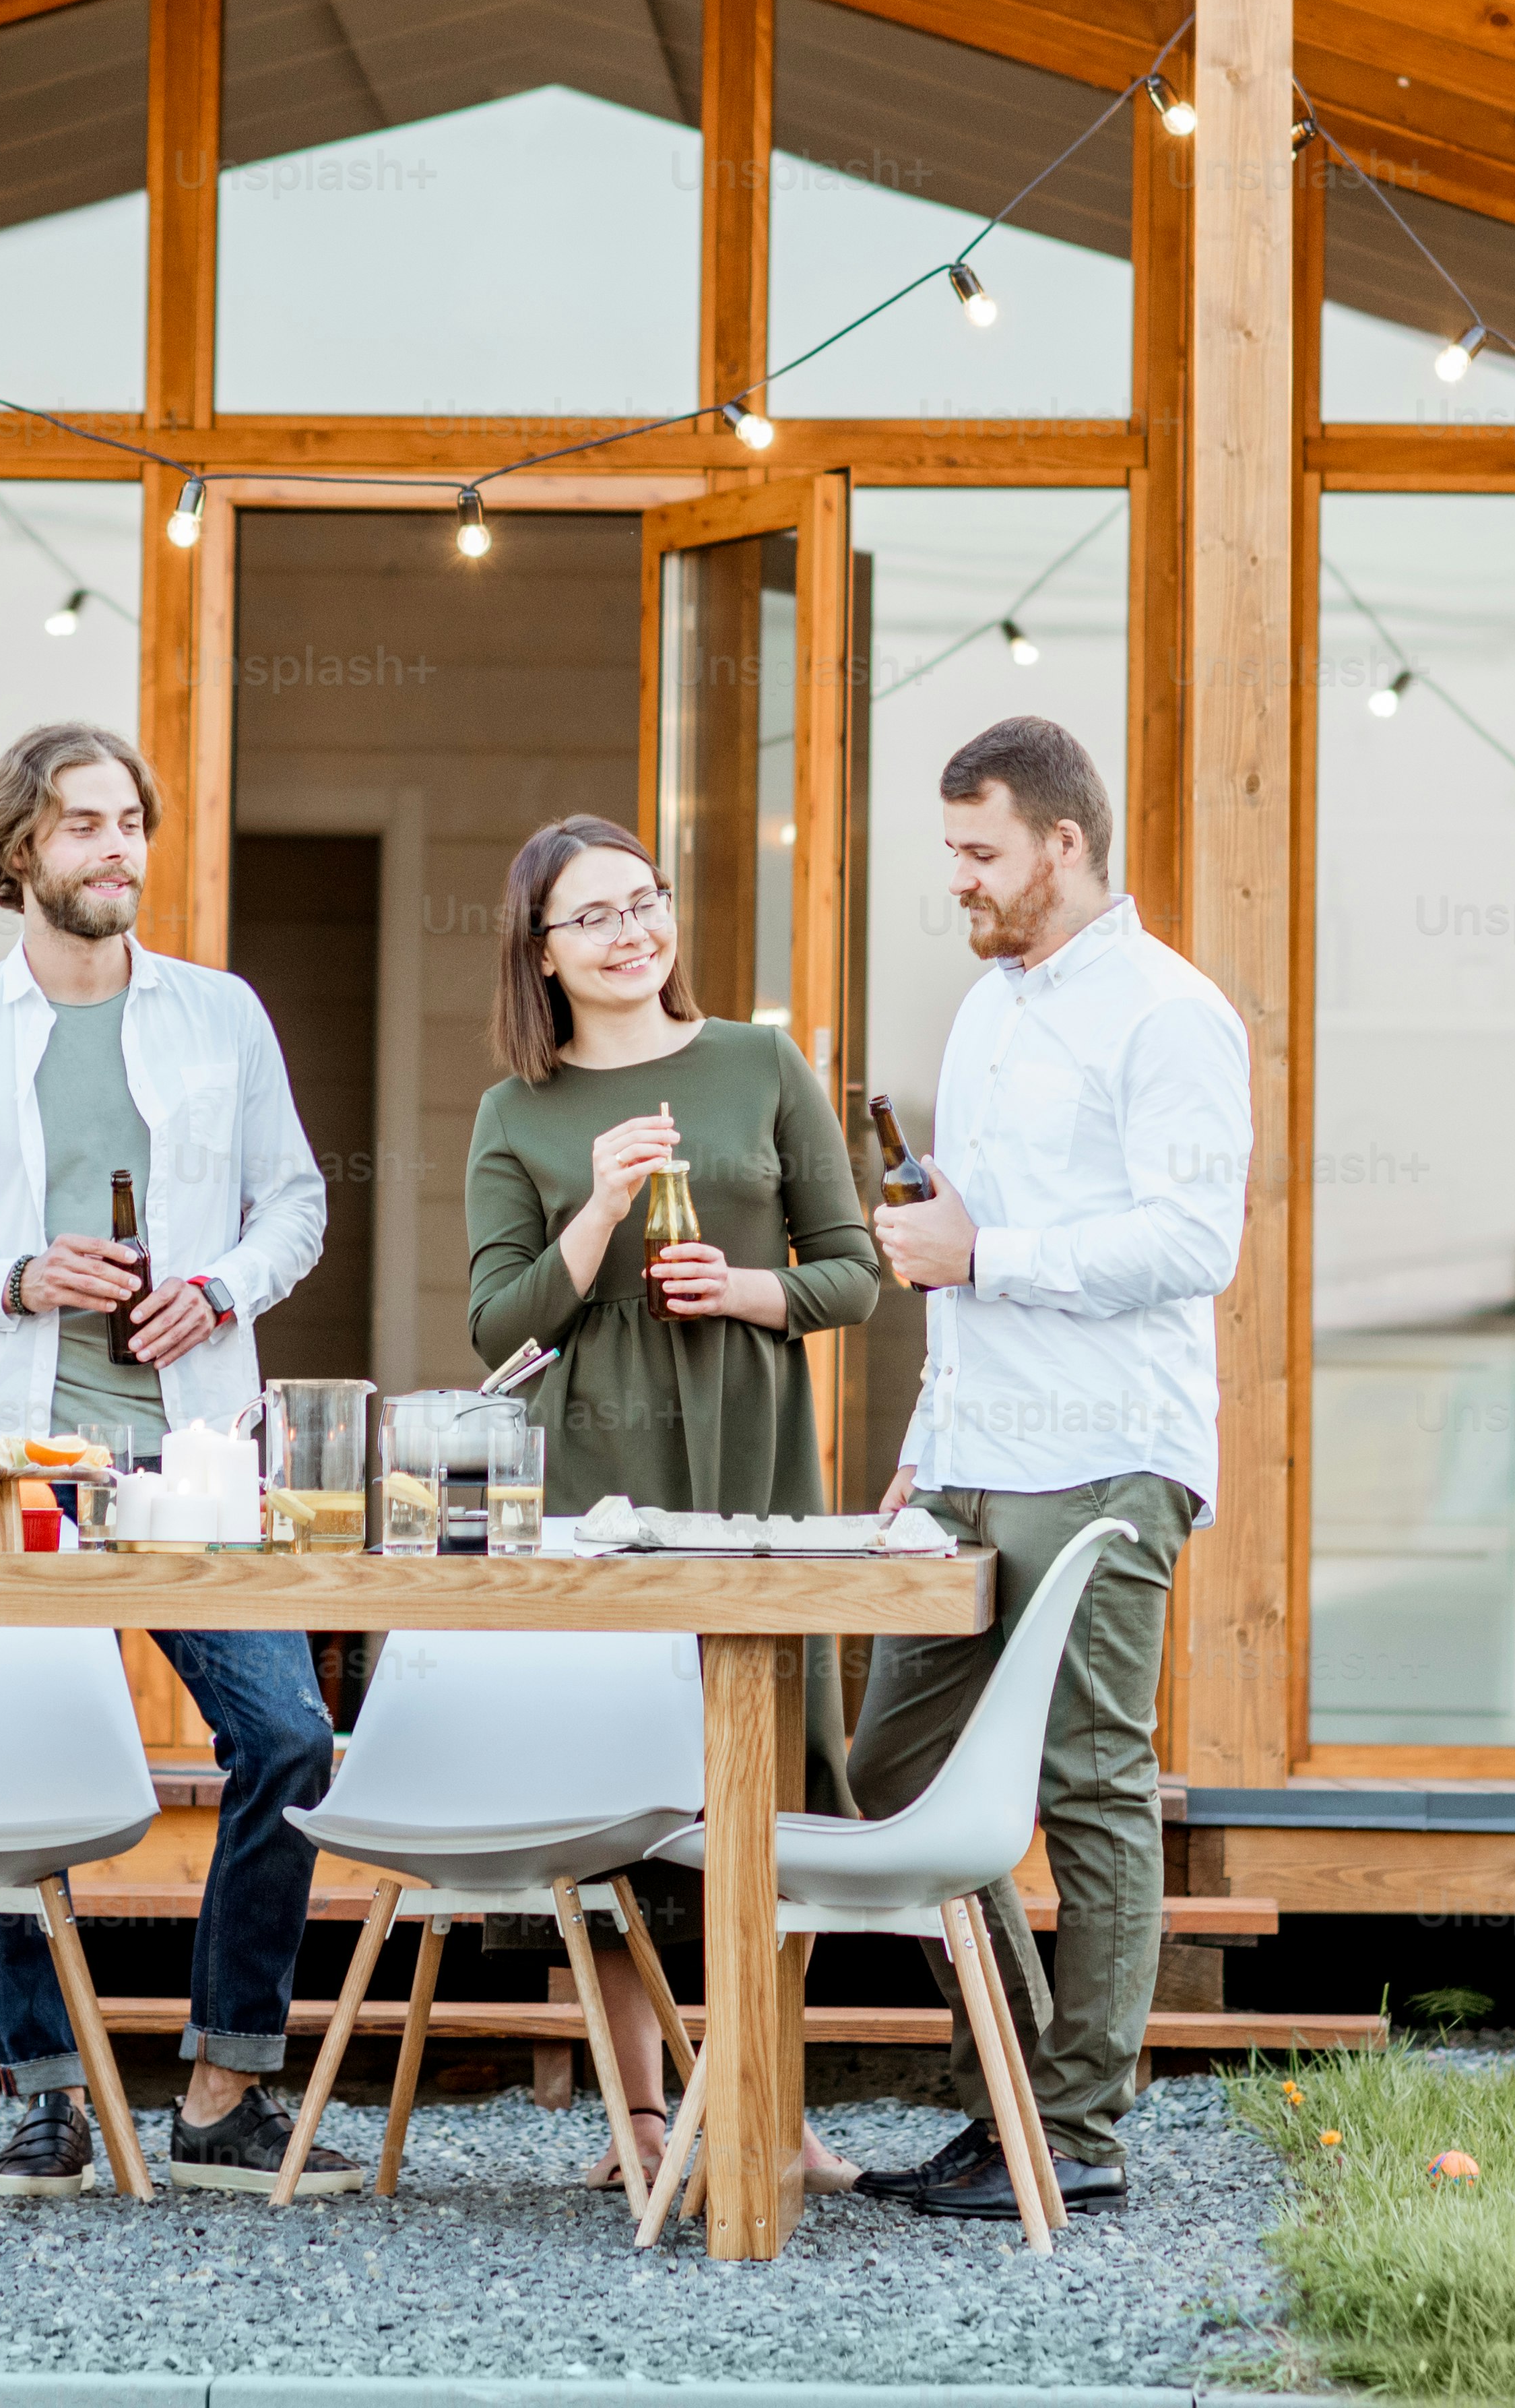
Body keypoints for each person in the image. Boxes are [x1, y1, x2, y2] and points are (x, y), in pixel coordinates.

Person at [0, 720, 348, 2198]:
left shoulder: (219, 1015)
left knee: (288, 1739)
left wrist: (225, 1284)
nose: (116, 847)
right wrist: (12, 1277)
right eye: (81, 824)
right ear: (17, 851)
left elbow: (296, 1202)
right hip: (9, 1463)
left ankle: (220, 2083)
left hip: (189, 1452)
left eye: (130, 821)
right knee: (8, 1761)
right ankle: (48, 2086)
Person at [851, 715, 1244, 2225]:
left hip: (1105, 1454)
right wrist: (924, 1441)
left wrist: (987, 1251)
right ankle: (1005, 2078)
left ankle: (1076, 2124)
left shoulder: (1168, 1012)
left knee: (1086, 1783)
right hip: (974, 1457)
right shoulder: (987, 1011)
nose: (955, 879)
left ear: (1061, 845)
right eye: (950, 850)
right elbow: (961, 1251)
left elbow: (1190, 1242)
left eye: (977, 852)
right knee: (892, 1773)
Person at [461, 811, 879, 2194]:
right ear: (542, 951)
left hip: (750, 1456)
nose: (633, 928)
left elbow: (855, 1269)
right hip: (589, 1469)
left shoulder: (760, 1062)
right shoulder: (514, 1111)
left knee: (768, 1772)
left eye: (644, 900)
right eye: (596, 914)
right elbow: (493, 1321)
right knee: (623, 1779)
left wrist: (747, 1289)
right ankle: (638, 2113)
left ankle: (768, 2101)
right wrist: (595, 1210)